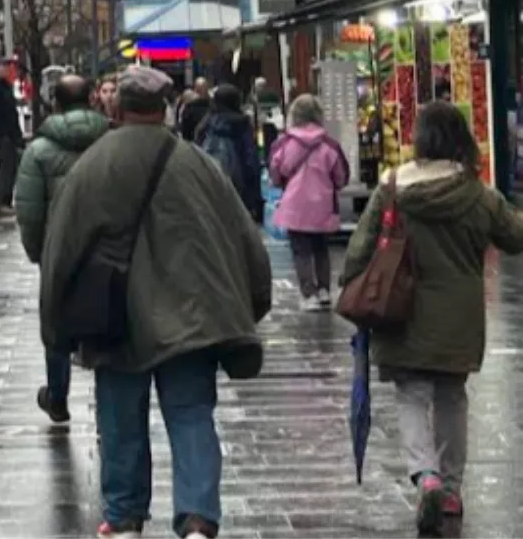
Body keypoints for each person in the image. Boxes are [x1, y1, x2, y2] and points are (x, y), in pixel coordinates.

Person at [39, 65, 272, 539]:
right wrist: (254, 300)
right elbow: (244, 237)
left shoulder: (92, 167)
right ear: (163, 109)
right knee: (191, 414)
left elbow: (59, 249)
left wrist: (54, 325)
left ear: (117, 109)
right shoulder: (198, 163)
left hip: (116, 317)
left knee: (120, 416)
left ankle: (124, 516)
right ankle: (198, 517)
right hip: (192, 316)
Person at [341, 101, 523, 535]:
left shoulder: (392, 187)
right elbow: (514, 237)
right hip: (458, 319)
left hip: (401, 313)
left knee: (411, 394)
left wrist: (353, 289)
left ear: (421, 139)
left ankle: (426, 477)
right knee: (451, 397)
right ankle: (453, 488)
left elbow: (359, 252)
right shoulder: (478, 193)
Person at [14, 74, 110, 424]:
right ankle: (108, 398)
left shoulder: (39, 152)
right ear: (93, 100)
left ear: (54, 104)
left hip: (59, 250)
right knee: (110, 321)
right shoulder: (112, 143)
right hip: (109, 248)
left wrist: (40, 251)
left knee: (56, 325)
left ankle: (57, 396)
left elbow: (29, 211)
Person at [267, 95, 350, 311]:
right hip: (323, 206)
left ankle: (308, 293)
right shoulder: (329, 146)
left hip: (295, 206)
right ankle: (324, 290)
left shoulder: (284, 144)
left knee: (300, 250)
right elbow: (341, 177)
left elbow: (276, 172)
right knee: (321, 248)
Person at [196, 84, 263, 221]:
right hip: (238, 189)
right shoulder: (242, 124)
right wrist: (255, 200)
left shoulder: (205, 124)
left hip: (209, 186)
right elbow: (250, 161)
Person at [0, 60, 25, 212]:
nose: (6, 70)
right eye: (3, 67)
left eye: (7, 68)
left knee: (10, 168)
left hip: (10, 135)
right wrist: (2, 133)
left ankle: (6, 199)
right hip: (5, 136)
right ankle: (3, 201)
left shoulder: (6, 87)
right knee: (6, 168)